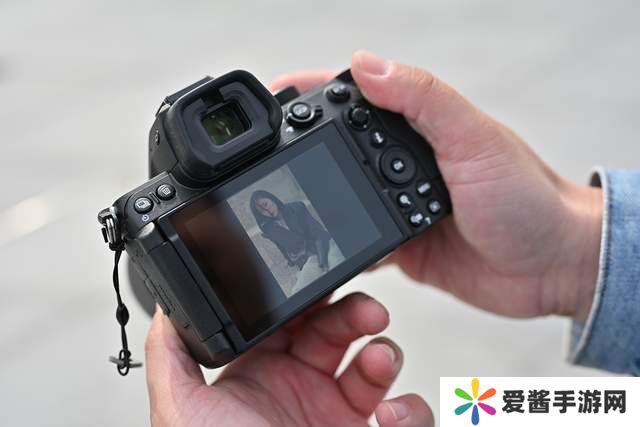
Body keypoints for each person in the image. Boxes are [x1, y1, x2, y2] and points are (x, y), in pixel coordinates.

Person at [145, 50, 639, 426]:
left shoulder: (295, 210)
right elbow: (290, 253)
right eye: (264, 209)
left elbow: (312, 237)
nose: (269, 209)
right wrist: (573, 256)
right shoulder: (273, 228)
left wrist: (570, 253)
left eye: (269, 203)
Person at [249, 190, 344, 293]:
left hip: (326, 245)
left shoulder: (296, 207)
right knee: (297, 291)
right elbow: (285, 250)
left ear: (271, 198)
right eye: (262, 211)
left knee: (337, 268)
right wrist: (298, 265)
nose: (267, 211)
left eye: (265, 204)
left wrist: (322, 264)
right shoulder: (271, 228)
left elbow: (318, 234)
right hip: (310, 258)